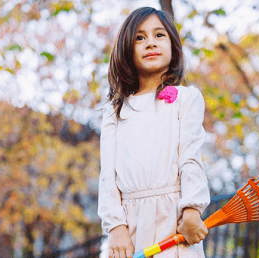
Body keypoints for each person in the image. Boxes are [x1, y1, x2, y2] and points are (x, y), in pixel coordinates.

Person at [98, 6, 211, 258]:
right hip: (128, 228)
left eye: (159, 35)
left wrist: (192, 210)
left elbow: (191, 158)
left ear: (173, 46)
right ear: (127, 49)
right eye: (140, 37)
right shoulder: (115, 111)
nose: (150, 43)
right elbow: (107, 176)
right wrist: (116, 227)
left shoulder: (186, 98)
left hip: (175, 223)